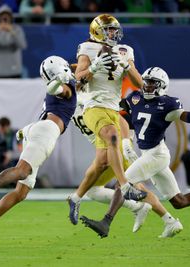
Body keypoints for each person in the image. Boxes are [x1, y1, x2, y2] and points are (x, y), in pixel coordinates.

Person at [80, 67, 190, 238]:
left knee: (123, 184)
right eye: (146, 82)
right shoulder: (135, 98)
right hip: (148, 154)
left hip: (157, 155)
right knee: (179, 201)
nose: (147, 86)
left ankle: (105, 223)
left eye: (152, 83)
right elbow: (117, 111)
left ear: (162, 86)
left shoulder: (168, 105)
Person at [0, 55, 76, 250]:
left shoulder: (70, 80)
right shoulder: (65, 88)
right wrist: (61, 79)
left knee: (21, 192)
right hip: (47, 130)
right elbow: (58, 88)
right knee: (23, 171)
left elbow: (80, 71)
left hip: (37, 127)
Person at [67, 14, 147, 225]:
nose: (113, 33)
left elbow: (140, 84)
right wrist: (93, 68)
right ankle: (125, 185)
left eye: (114, 29)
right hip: (93, 106)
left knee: (102, 162)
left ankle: (75, 198)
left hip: (113, 108)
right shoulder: (87, 48)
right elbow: (78, 78)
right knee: (113, 136)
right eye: (109, 30)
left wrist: (127, 66)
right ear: (97, 31)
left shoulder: (125, 51)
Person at [72, 91, 181, 236]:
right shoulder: (69, 101)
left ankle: (161, 217)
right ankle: (162, 217)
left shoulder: (88, 97)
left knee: (127, 186)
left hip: (115, 149)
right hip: (111, 149)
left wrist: (126, 144)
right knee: (113, 188)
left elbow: (121, 118)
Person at [0, 5, 27, 78]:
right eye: (2, 15)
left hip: (14, 70)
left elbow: (23, 45)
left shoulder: (17, 29)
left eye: (7, 15)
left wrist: (12, 32)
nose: (5, 18)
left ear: (11, 17)